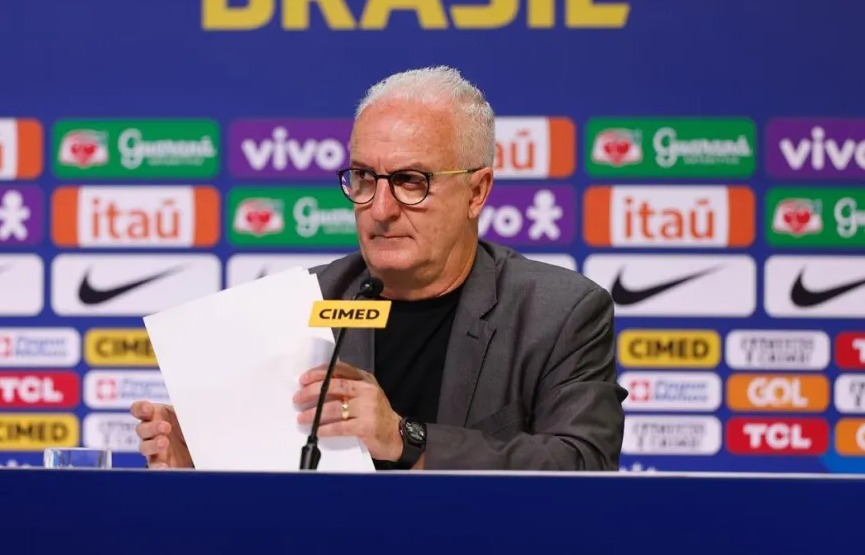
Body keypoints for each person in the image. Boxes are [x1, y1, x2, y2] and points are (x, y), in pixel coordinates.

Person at [132, 65, 627, 471]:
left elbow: (585, 463)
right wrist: (200, 467)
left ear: (477, 192)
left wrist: (404, 439)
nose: (381, 207)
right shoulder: (311, 302)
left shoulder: (558, 313)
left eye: (411, 181)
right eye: (365, 177)